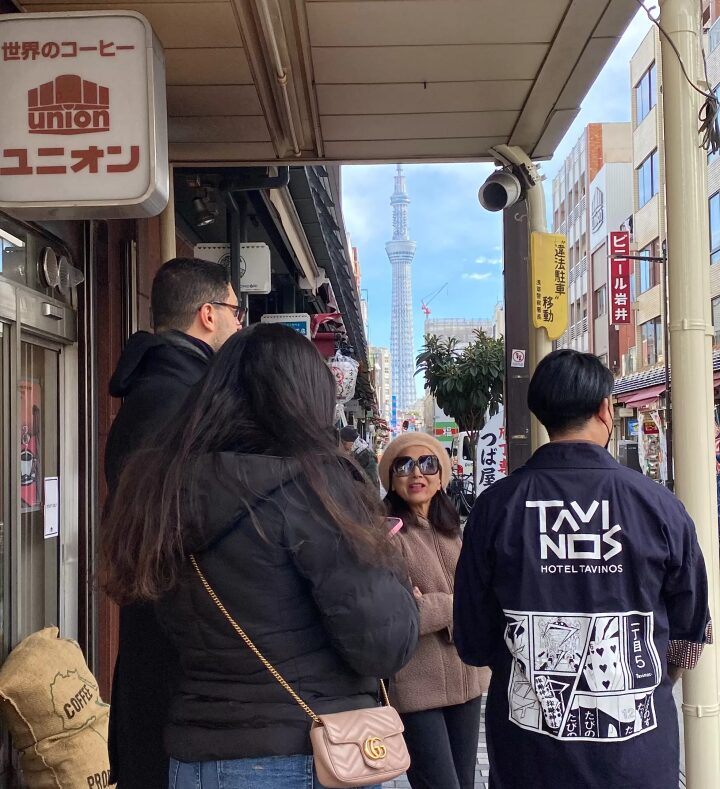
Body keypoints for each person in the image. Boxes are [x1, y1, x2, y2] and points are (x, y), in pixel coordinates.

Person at [101, 323, 419, 789]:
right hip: (313, 755)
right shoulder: (316, 490)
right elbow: (383, 644)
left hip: (195, 759)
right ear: (305, 400)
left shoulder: (159, 494)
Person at [454, 349, 712, 789]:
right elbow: (690, 631)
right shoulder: (658, 506)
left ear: (543, 413)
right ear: (605, 408)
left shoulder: (497, 507)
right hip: (637, 757)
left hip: (529, 756)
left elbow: (473, 643)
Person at [105, 257, 242, 789]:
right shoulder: (189, 404)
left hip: (158, 644)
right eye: (235, 310)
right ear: (208, 314)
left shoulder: (154, 391)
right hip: (183, 655)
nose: (238, 323)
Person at [379, 433, 490, 789]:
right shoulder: (384, 536)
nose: (417, 474)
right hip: (415, 689)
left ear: (442, 476)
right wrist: (456, 604)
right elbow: (398, 614)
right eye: (404, 465)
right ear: (390, 480)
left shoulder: (453, 532)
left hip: (466, 681)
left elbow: (485, 597)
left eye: (428, 464)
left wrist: (433, 603)